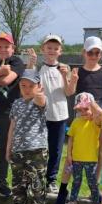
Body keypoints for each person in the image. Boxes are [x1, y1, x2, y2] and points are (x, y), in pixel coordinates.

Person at [56, 36, 102, 204]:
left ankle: (94, 190)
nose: (94, 55)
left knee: (98, 152)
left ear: (101, 54)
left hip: (98, 116)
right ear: (84, 53)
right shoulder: (77, 71)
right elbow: (70, 92)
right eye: (90, 52)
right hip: (81, 115)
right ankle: (63, 191)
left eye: (97, 53)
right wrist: (70, 78)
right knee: (72, 153)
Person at [27, 34, 78, 193]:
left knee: (56, 150)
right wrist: (30, 63)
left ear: (60, 51)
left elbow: (69, 92)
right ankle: (36, 180)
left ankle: (51, 180)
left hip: (59, 116)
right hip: (40, 116)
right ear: (43, 49)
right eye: (49, 48)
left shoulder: (65, 68)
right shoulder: (37, 68)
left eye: (56, 48)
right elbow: (27, 86)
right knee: (39, 149)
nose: (52, 51)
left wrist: (66, 76)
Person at [3, 69, 48, 204]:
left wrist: (40, 92)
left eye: (31, 85)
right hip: (18, 151)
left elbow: (42, 100)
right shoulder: (16, 103)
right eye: (23, 86)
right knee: (18, 186)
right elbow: (12, 128)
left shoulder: (40, 101)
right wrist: (8, 148)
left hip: (37, 151)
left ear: (38, 86)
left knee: (37, 185)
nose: (27, 89)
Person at [0, 32, 25, 198]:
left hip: (7, 112)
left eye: (6, 46)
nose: (3, 49)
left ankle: (1, 182)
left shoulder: (17, 62)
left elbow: (6, 81)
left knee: (5, 147)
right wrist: (0, 70)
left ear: (13, 48)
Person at [61, 92, 102, 204]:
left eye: (86, 108)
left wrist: (93, 105)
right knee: (76, 182)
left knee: (92, 183)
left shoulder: (96, 122)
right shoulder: (76, 122)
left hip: (91, 160)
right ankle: (72, 202)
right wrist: (69, 155)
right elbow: (71, 140)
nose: (83, 112)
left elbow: (98, 115)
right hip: (76, 159)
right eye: (80, 109)